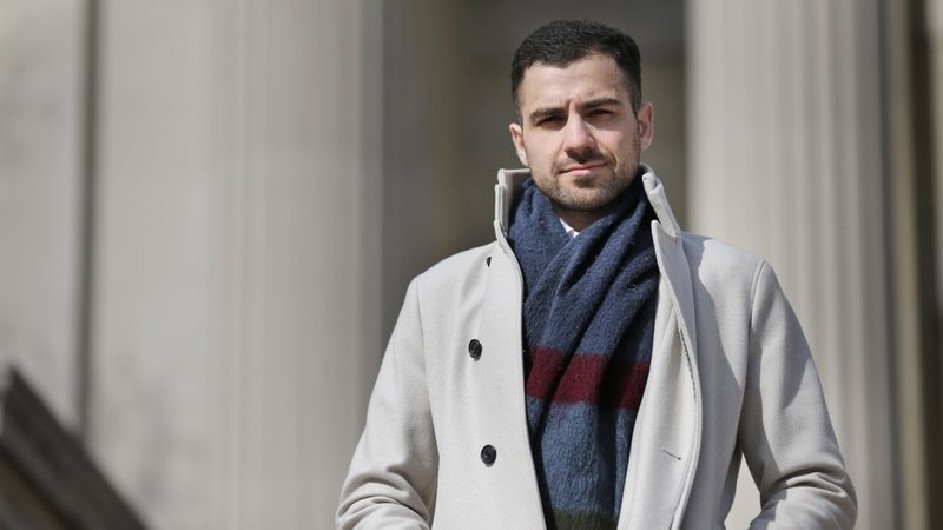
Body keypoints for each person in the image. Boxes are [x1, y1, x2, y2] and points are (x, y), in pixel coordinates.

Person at [337, 19, 856, 530]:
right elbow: (377, 496)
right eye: (550, 119)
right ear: (520, 141)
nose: (577, 139)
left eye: (600, 112)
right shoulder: (441, 297)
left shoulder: (732, 287)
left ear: (644, 124)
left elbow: (811, 483)